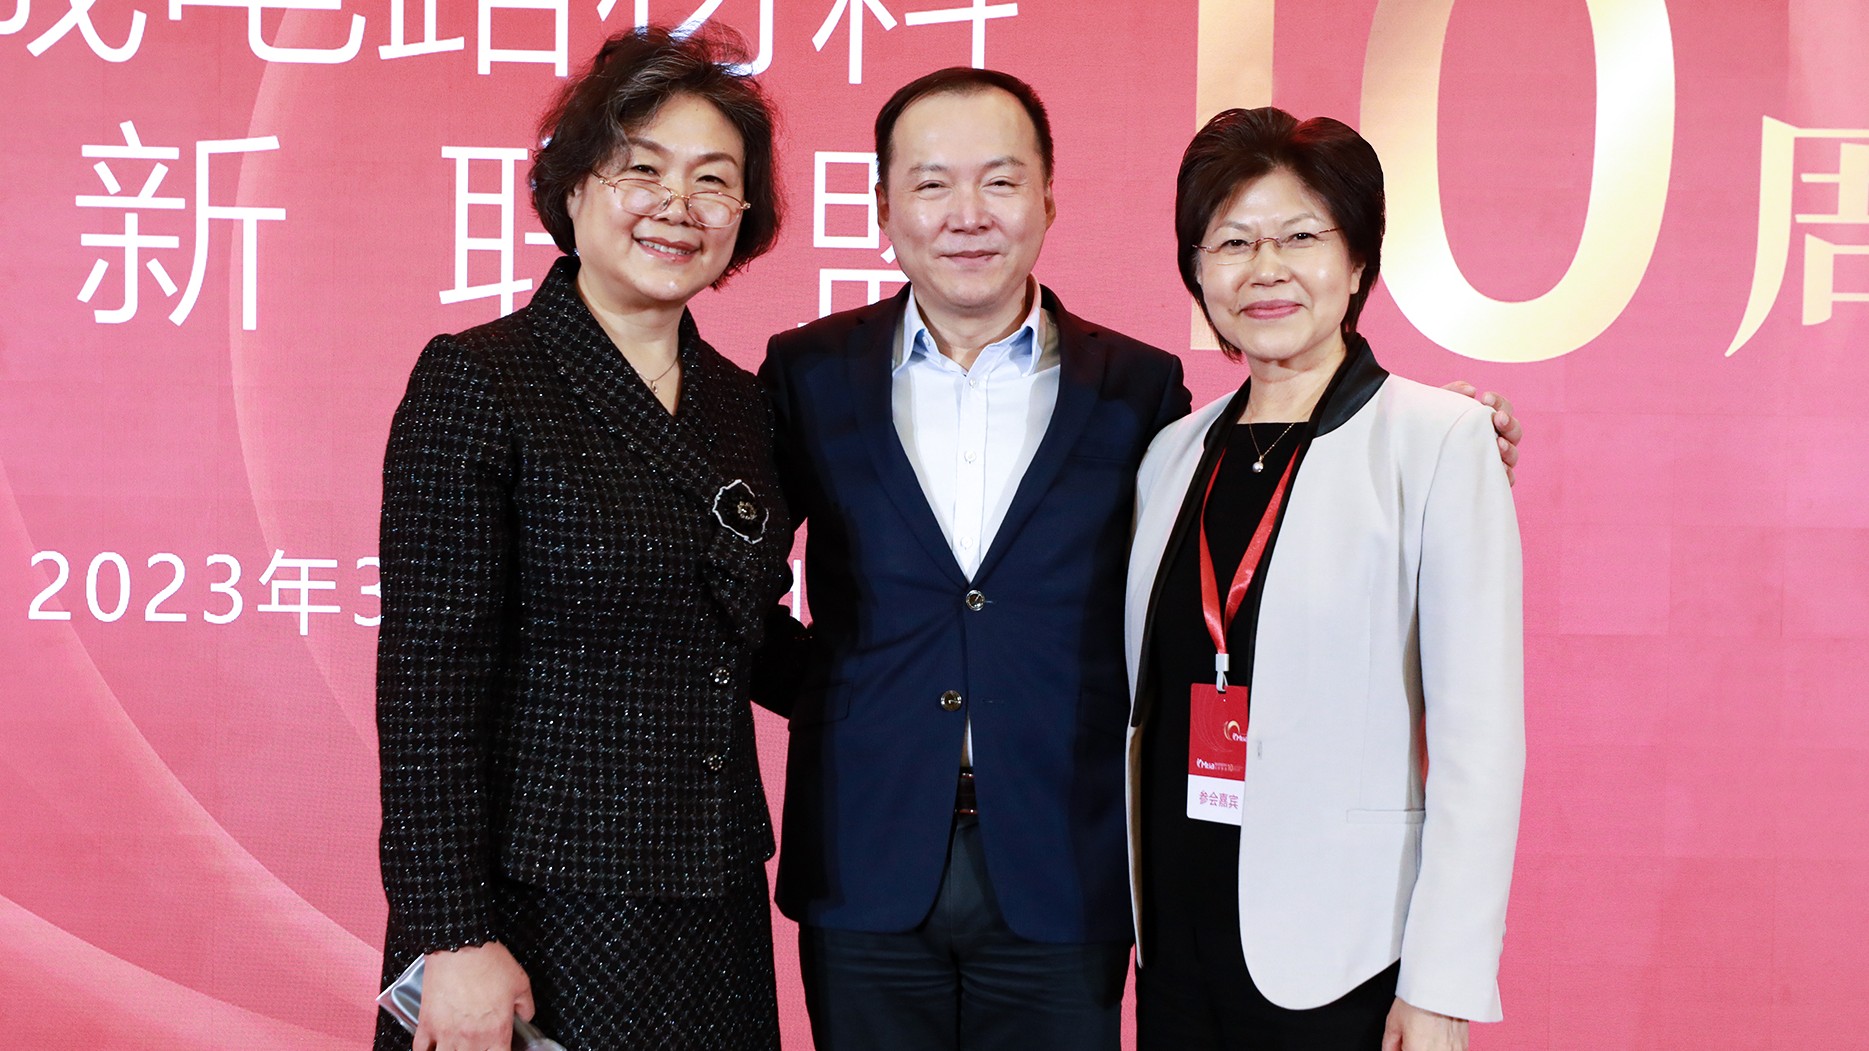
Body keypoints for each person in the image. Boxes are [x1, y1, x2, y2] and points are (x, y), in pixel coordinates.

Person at [757, 69, 1522, 1051]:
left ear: (1047, 199)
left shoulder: (1137, 395)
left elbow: (1469, 730)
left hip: (1086, 876)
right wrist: (850, 694)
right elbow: (730, 585)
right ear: (881, 205)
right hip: (890, 862)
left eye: (1000, 180)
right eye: (931, 182)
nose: (967, 213)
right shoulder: (812, 372)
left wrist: (1442, 436)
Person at [373, 27, 792, 1051]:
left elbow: (740, 631)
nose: (677, 204)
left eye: (713, 180)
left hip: (712, 895)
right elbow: (428, 683)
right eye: (641, 169)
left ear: (746, 215)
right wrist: (453, 934)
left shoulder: (744, 406)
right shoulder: (482, 378)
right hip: (535, 907)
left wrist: (946, 683)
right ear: (572, 187)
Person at [1122, 107, 1525, 1051]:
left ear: (1356, 262)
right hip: (1174, 935)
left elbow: (1479, 741)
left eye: (1300, 236)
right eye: (1232, 242)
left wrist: (1441, 983)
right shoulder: (1172, 454)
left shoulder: (1437, 440)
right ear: (1196, 270)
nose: (1265, 269)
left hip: (1343, 951)